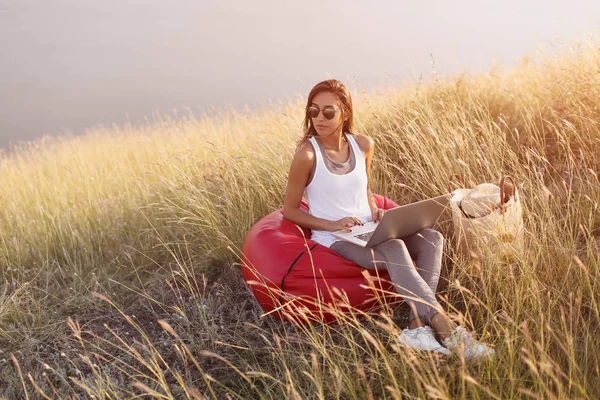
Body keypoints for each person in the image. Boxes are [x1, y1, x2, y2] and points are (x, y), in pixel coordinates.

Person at [282, 79, 494, 361]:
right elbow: (290, 211)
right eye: (313, 111)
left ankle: (416, 327)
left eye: (328, 112)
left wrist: (375, 210)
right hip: (336, 236)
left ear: (345, 113)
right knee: (395, 248)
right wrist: (332, 224)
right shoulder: (306, 155)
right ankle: (447, 329)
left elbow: (365, 189)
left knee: (434, 238)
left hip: (370, 228)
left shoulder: (363, 145)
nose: (319, 118)